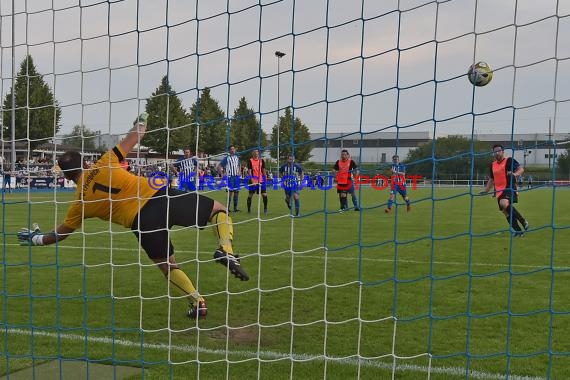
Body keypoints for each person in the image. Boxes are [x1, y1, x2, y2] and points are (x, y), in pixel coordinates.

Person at [17, 113, 249, 321]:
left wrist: (37, 239)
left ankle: (198, 301)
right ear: (86, 162)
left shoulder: (79, 202)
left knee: (168, 266)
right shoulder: (105, 161)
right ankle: (226, 249)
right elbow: (136, 135)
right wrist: (142, 119)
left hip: (141, 222)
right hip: (160, 196)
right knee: (219, 210)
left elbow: (61, 233)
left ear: (67, 176)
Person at [481, 144, 529, 237]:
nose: (497, 153)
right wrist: (486, 190)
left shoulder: (509, 161)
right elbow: (492, 179)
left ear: (503, 151)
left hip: (509, 187)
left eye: (499, 150)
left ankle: (523, 221)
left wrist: (515, 174)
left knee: (503, 203)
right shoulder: (493, 165)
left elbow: (521, 169)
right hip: (499, 191)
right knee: (505, 211)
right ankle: (518, 232)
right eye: (495, 151)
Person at [217, 145, 241, 213]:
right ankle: (227, 208)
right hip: (230, 177)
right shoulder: (227, 158)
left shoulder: (237, 158)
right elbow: (219, 166)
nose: (232, 150)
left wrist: (239, 171)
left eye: (233, 149)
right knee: (230, 193)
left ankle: (235, 208)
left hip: (236, 177)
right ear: (229, 150)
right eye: (231, 149)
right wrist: (221, 175)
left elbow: (239, 165)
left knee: (236, 192)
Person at [246, 148, 268, 214]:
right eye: (254, 152)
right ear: (252, 153)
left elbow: (263, 170)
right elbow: (249, 171)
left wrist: (265, 177)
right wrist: (252, 180)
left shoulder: (261, 160)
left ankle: (265, 208)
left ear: (258, 153)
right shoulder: (250, 161)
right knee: (250, 195)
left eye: (257, 152)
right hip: (253, 180)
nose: (256, 153)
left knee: (264, 194)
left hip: (261, 180)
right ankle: (249, 210)